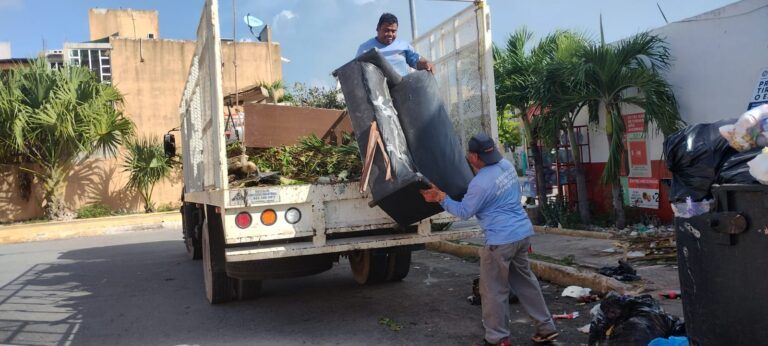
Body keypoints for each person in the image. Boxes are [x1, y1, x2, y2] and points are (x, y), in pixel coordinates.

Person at [420, 133, 559, 346]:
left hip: (500, 241)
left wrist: (440, 197)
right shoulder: (507, 166)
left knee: (493, 290)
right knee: (526, 283)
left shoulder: (480, 183)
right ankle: (546, 328)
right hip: (521, 234)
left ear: (473, 156)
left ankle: (497, 338)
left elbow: (464, 211)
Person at [356, 13, 434, 76]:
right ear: (377, 28)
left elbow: (416, 61)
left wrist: (426, 64)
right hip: (376, 89)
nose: (390, 34)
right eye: (386, 30)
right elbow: (357, 71)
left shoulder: (403, 46)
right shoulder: (365, 49)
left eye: (393, 31)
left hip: (402, 87)